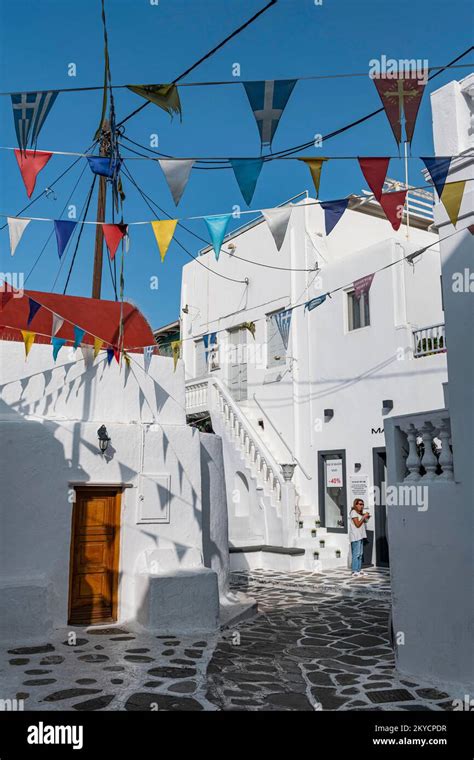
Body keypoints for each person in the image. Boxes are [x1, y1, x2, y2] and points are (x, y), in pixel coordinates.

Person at [349, 498, 370, 578]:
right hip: (355, 536)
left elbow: (363, 522)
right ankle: (354, 571)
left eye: (363, 504)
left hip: (360, 536)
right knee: (356, 554)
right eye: (360, 504)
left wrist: (366, 517)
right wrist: (363, 517)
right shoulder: (353, 512)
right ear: (356, 504)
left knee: (360, 554)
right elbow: (357, 524)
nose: (362, 506)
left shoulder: (359, 513)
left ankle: (358, 570)